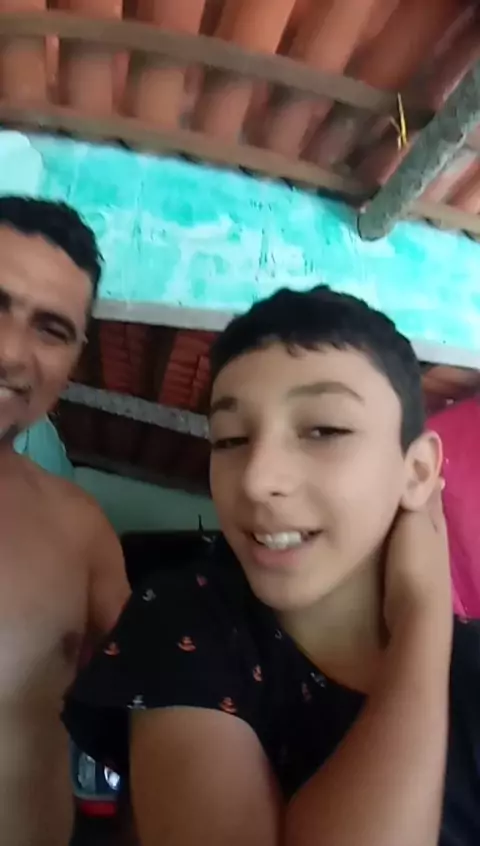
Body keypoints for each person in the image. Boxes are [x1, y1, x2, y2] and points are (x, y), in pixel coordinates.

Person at [63, 286, 480, 846]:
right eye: (231, 439)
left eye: (324, 430)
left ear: (419, 471)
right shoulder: (187, 623)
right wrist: (422, 615)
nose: (257, 480)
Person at [0, 197, 130, 846]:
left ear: (74, 360)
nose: (10, 351)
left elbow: (157, 699)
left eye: (50, 329)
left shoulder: (79, 527)